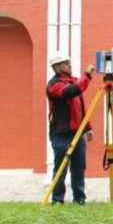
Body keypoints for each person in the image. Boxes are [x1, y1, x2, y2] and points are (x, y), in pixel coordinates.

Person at [46, 53, 96, 205]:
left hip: (78, 132)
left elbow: (81, 108)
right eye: (66, 63)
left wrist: (88, 128)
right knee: (61, 167)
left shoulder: (73, 81)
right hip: (61, 133)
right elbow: (72, 91)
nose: (70, 65)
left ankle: (79, 199)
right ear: (58, 67)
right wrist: (87, 75)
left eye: (69, 62)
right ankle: (57, 200)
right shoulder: (54, 85)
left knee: (79, 167)